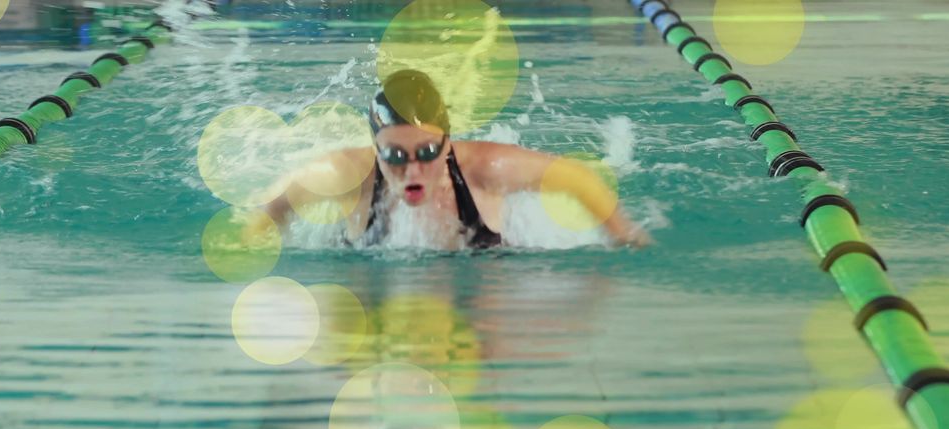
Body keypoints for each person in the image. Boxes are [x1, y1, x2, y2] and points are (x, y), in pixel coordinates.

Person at [251, 69, 651, 249]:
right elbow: (273, 206)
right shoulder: (344, 174)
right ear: (374, 150)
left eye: (427, 152)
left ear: (447, 143)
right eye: (394, 156)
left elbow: (576, 178)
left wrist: (623, 233)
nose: (413, 169)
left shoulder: (487, 169)